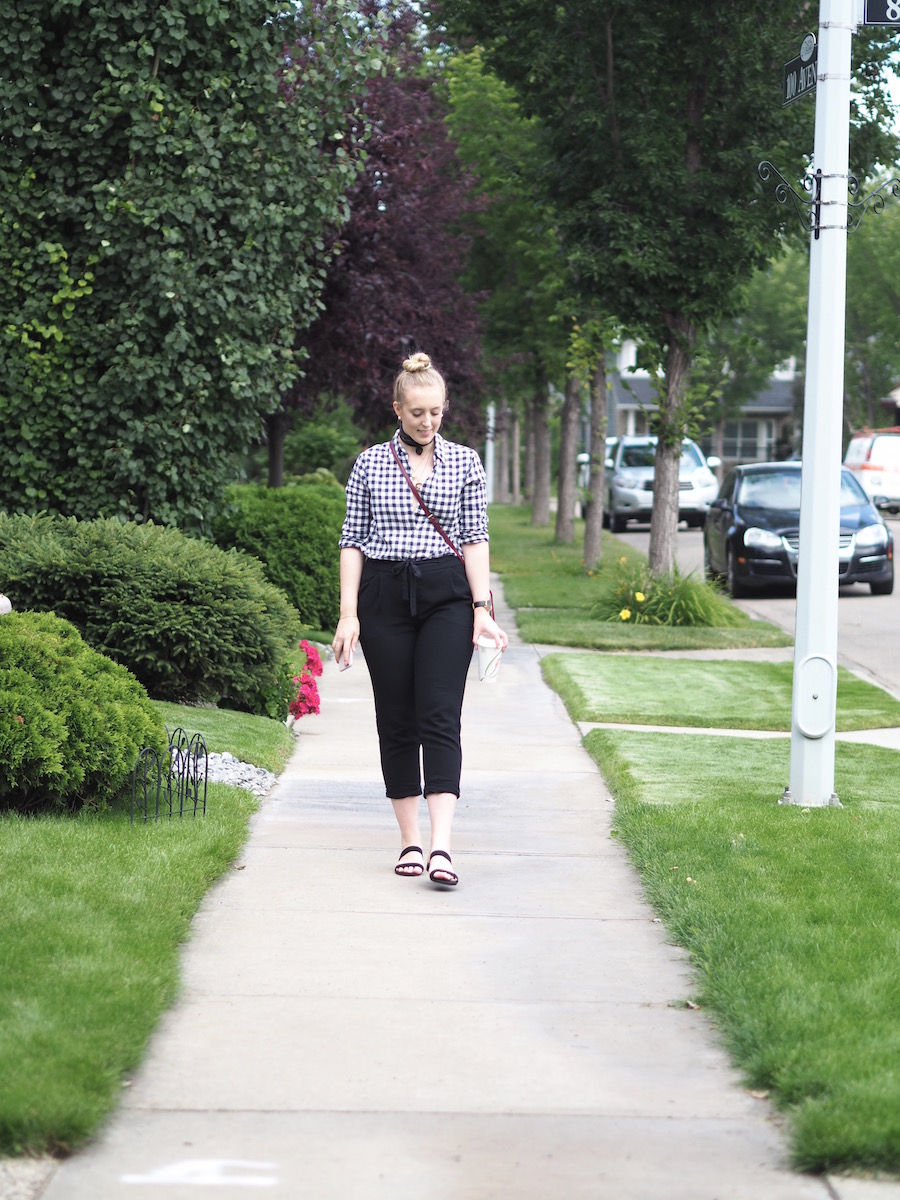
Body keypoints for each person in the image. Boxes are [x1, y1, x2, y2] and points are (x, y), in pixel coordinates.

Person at [331, 352, 508, 887]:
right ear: (397, 409)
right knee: (397, 715)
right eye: (417, 413)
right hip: (385, 595)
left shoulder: (466, 463)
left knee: (439, 712)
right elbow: (352, 542)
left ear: (445, 408)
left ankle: (441, 847)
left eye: (436, 412)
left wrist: (482, 608)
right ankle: (408, 840)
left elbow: (475, 538)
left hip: (446, 596)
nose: (428, 422)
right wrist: (348, 615)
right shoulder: (369, 464)